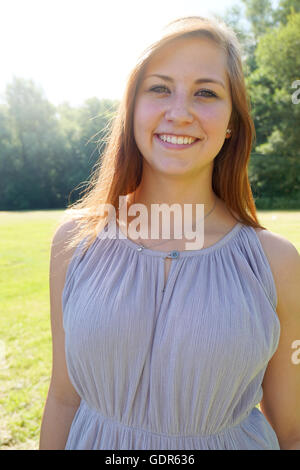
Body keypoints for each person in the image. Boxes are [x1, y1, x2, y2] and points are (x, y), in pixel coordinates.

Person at [39, 16, 300, 450]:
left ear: (232, 120)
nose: (179, 113)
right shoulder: (74, 244)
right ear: (132, 107)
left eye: (206, 93)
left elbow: (291, 433)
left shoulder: (278, 263)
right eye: (159, 88)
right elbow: (65, 399)